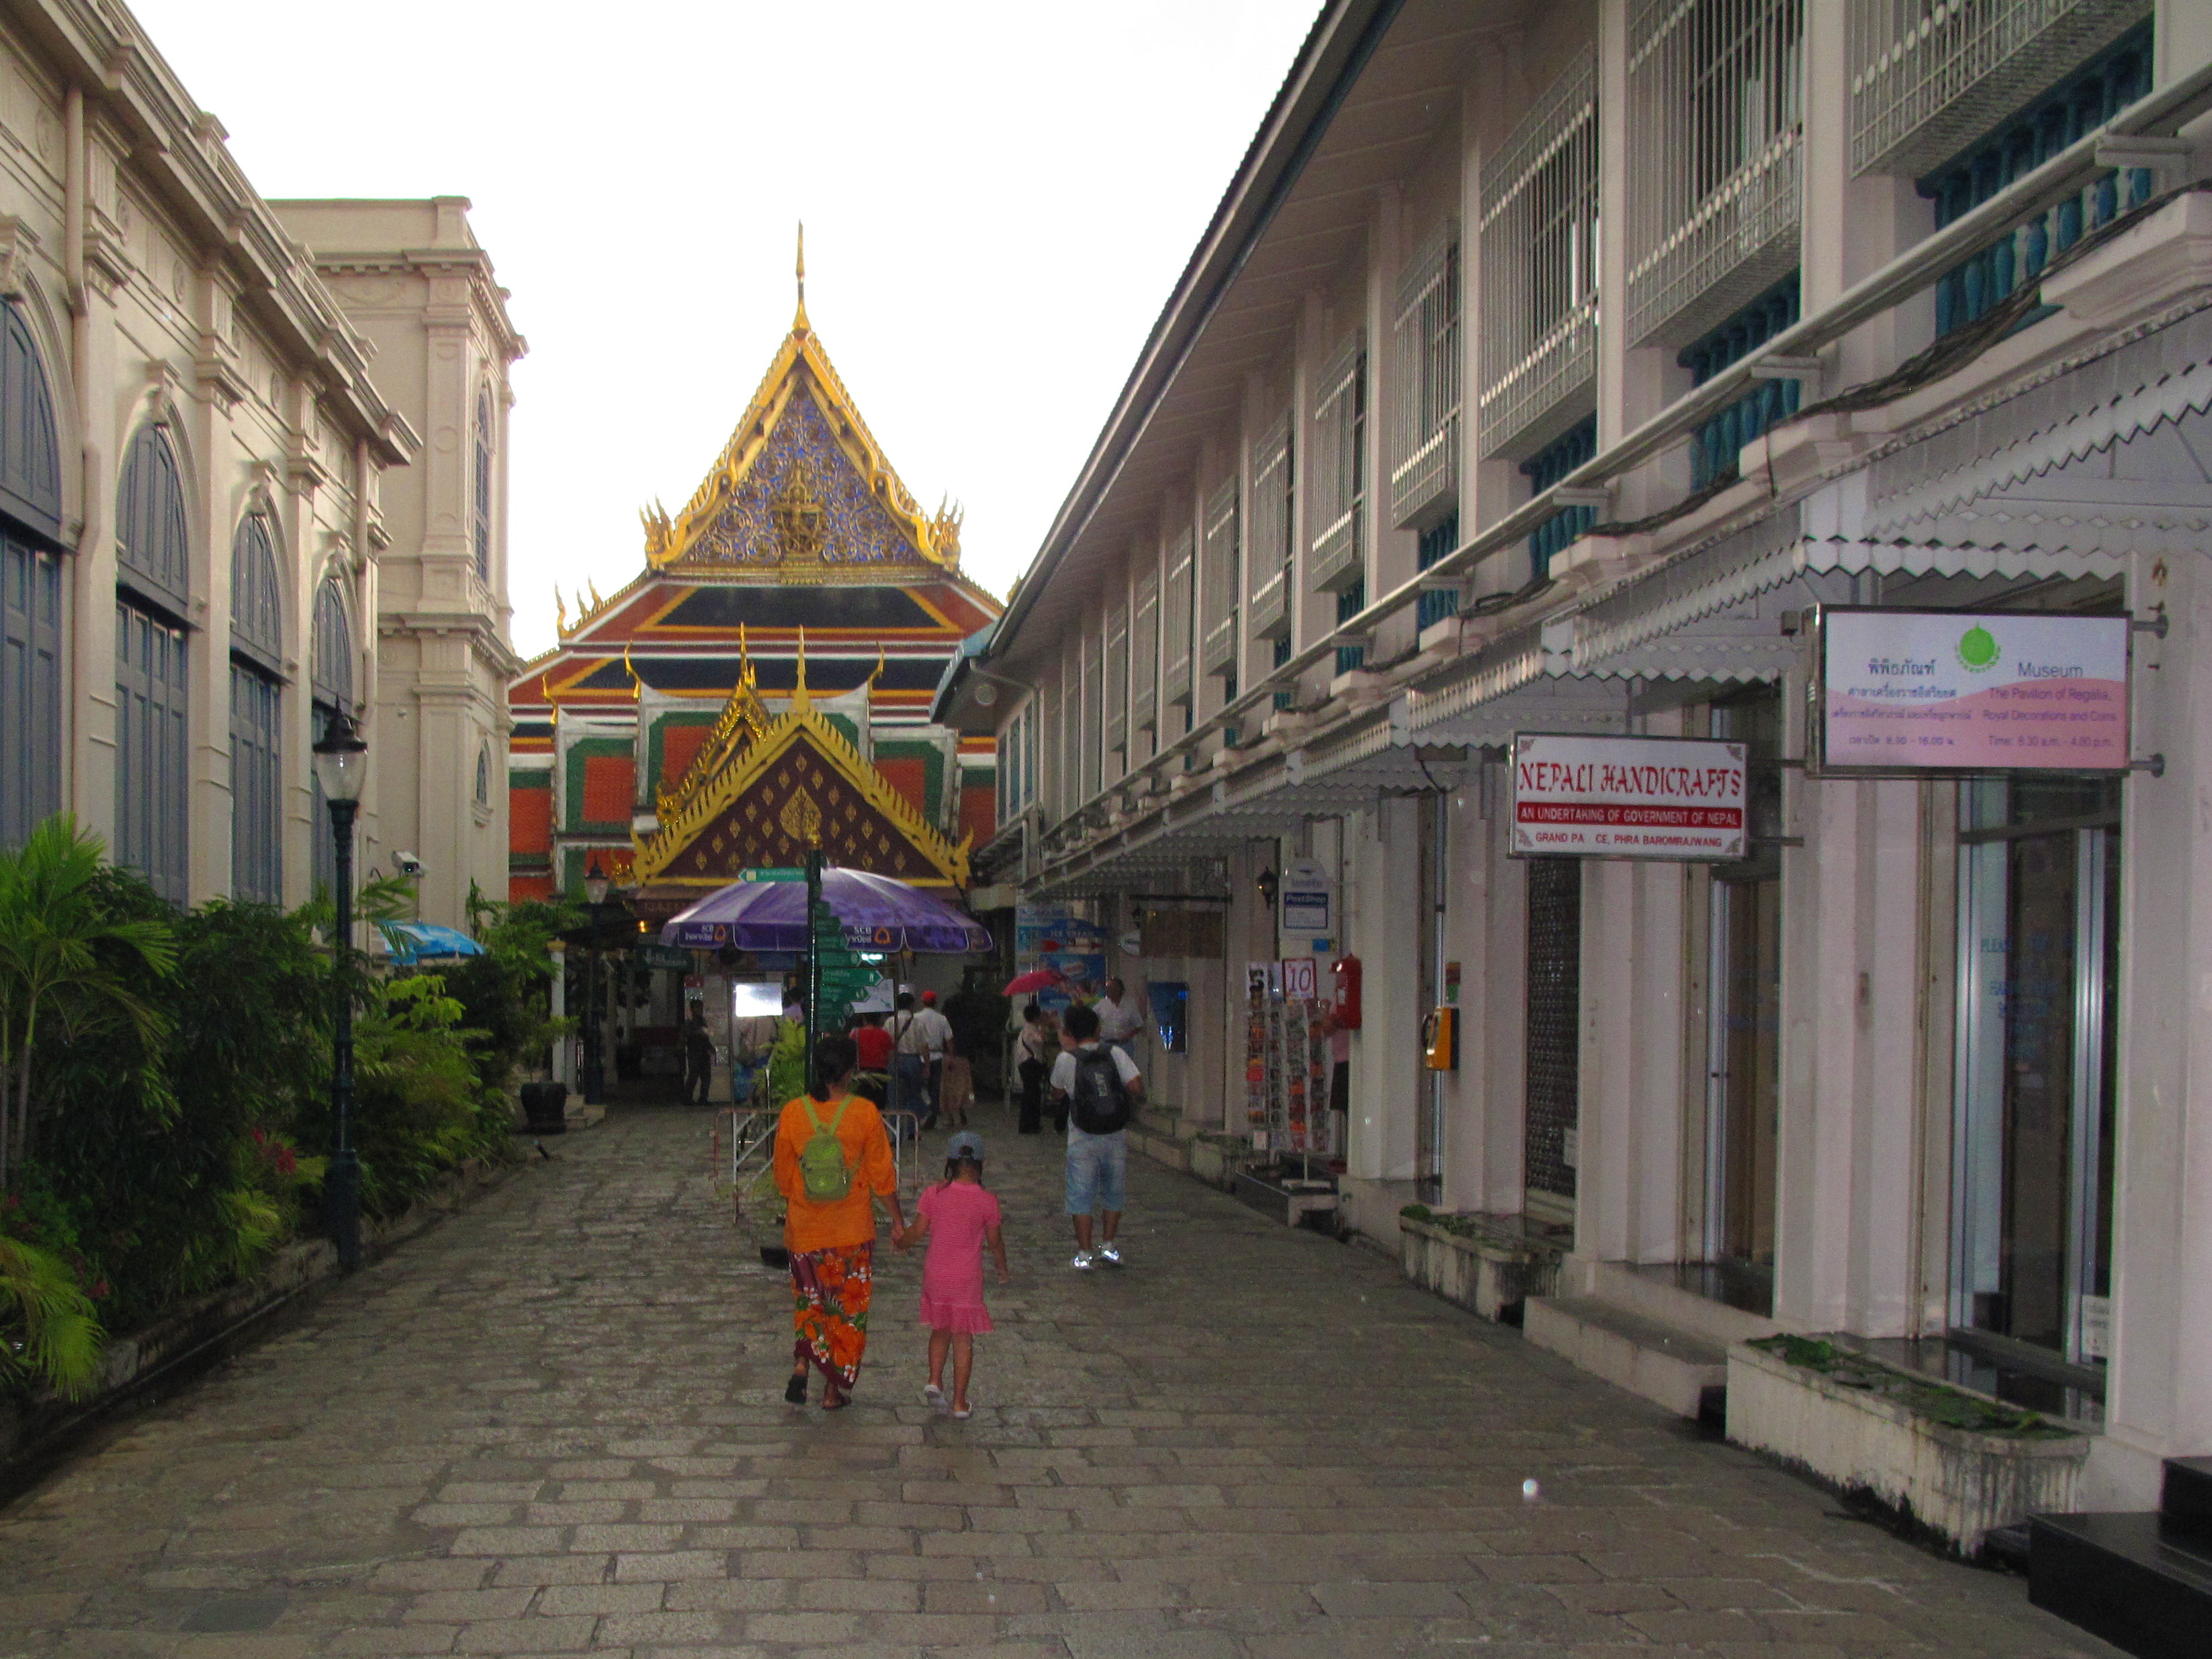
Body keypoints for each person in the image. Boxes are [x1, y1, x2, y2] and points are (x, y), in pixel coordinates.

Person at [772, 1032, 905, 1410]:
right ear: (851, 1071)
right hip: (851, 1230)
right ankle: (832, 1393)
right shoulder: (864, 1113)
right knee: (847, 1311)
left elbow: (783, 1178)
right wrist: (897, 1220)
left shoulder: (794, 1113)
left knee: (809, 1302)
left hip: (804, 1231)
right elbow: (882, 1177)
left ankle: (802, 1363)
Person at [895, 1129, 1008, 1420]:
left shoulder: (934, 1193)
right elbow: (995, 1242)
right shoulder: (987, 1201)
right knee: (963, 1339)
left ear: (951, 1162)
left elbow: (918, 1231)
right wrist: (1002, 1268)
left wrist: (901, 1242)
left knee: (939, 1328)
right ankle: (959, 1402)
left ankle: (934, 1379)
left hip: (937, 1275)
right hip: (966, 1279)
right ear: (980, 1164)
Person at [1049, 1003, 1142, 1270]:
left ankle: (1084, 1252)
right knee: (1113, 1191)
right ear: (1098, 1029)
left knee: (1081, 1194)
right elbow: (1136, 1085)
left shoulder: (1066, 1059)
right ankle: (1109, 1245)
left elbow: (1056, 1093)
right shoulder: (1115, 1053)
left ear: (1070, 1032)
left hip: (1082, 1136)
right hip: (1114, 1132)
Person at [889, 991, 928, 1130]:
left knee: (894, 1098)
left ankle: (895, 1131)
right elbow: (924, 1046)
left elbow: (887, 1043)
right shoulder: (917, 1022)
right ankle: (913, 1129)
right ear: (911, 1005)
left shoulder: (890, 1021)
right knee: (914, 1094)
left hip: (896, 1060)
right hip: (913, 1060)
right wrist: (927, 1066)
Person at [917, 991, 955, 1130]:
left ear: (923, 1002)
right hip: (938, 1056)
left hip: (920, 1057)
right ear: (935, 1003)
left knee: (920, 1087)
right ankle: (932, 1113)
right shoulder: (942, 1019)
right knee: (935, 1088)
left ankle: (924, 1113)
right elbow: (949, 1040)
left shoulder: (916, 1018)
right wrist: (951, 1056)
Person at [1015, 1003, 1055, 1134]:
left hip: (1025, 1064)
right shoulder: (1031, 1029)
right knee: (1032, 1095)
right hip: (1030, 1064)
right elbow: (1041, 1040)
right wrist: (1043, 1026)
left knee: (1031, 1094)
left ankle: (1029, 1124)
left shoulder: (1025, 1029)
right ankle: (1029, 1124)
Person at [850, 1011, 894, 1108]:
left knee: (862, 1103)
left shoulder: (855, 1034)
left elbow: (850, 1054)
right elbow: (890, 1054)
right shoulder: (884, 1035)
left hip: (861, 1073)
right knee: (879, 1104)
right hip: (880, 1074)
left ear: (864, 1019)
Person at [1094, 977, 1145, 1048]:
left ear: (1119, 990)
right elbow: (1091, 1016)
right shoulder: (1102, 1004)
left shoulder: (1130, 1005)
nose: (1108, 991)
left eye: (1111, 989)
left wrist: (1128, 1036)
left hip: (1124, 1045)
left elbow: (1139, 1025)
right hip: (1106, 1044)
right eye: (1107, 988)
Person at [682, 1008, 715, 1106]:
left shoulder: (702, 1023)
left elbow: (706, 1039)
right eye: (697, 1008)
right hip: (694, 1053)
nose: (699, 1011)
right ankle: (687, 1098)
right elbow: (687, 1035)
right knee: (693, 1076)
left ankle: (703, 1098)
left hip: (703, 1053)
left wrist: (710, 1047)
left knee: (706, 1077)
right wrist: (700, 1032)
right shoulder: (689, 1024)